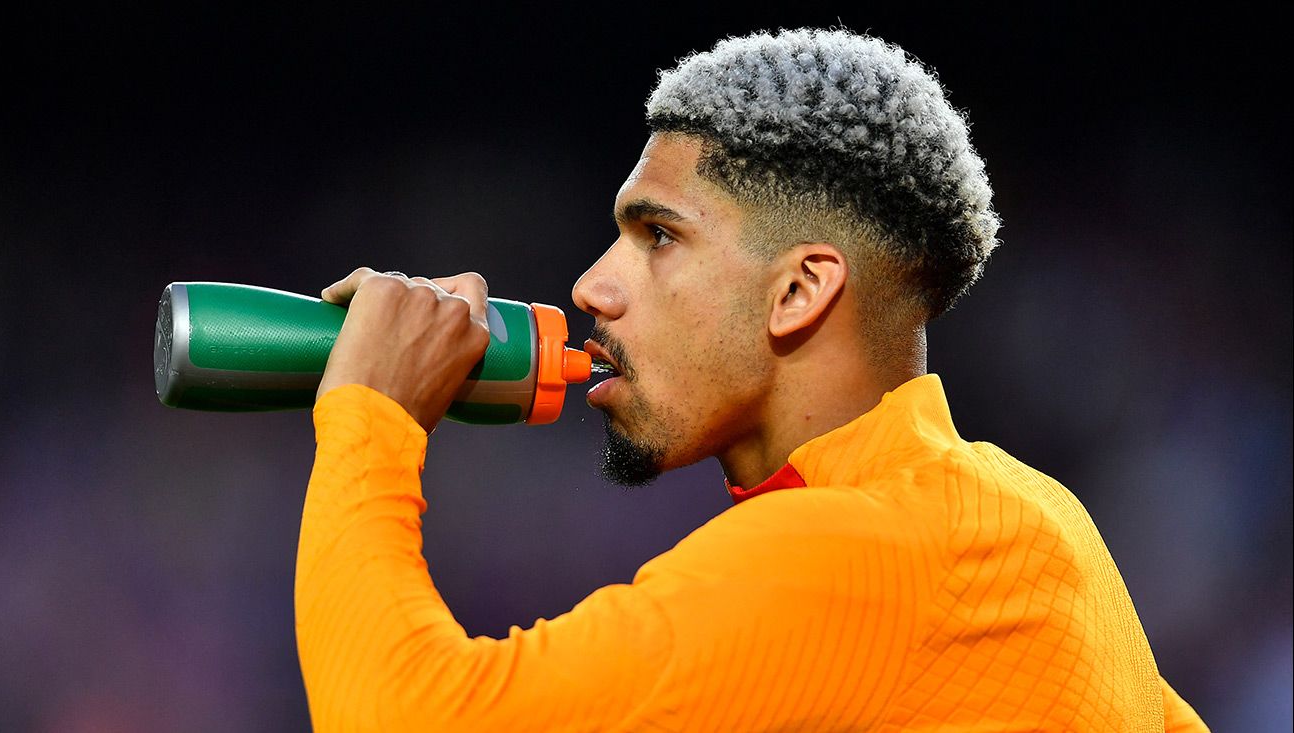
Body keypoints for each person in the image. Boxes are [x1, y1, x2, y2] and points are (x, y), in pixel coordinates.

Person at [295, 28, 1209, 731]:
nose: (591, 287)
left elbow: (403, 714)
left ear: (799, 290)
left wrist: (373, 415)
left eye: (659, 235)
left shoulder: (860, 554)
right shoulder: (1030, 524)